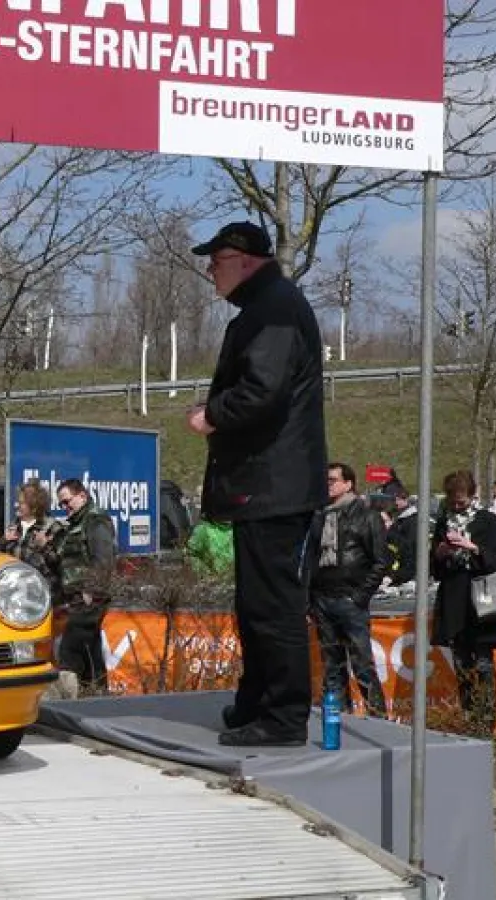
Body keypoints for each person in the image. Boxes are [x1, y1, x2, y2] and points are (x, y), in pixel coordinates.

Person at [186, 220, 327, 747]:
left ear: (245, 260)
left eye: (215, 261)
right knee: (256, 603)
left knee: (274, 605)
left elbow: (263, 391)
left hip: (275, 484)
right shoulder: (268, 306)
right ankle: (257, 703)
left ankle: (283, 716)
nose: (209, 271)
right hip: (266, 481)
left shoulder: (274, 311)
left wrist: (213, 416)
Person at [431, 469, 496, 734]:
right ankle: (468, 716)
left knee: (484, 663)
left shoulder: (487, 521)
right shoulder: (443, 521)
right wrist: (440, 553)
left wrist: (471, 546)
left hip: (482, 599)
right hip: (454, 598)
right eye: (452, 501)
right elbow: (435, 570)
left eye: (461, 502)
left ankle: (486, 721)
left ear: (472, 496)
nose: (456, 506)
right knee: (461, 663)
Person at [309, 463, 388, 717]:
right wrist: (309, 599)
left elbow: (380, 561)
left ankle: (379, 721)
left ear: (348, 483)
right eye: (326, 480)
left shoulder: (367, 516)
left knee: (362, 665)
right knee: (332, 666)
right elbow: (309, 558)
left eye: (332, 480)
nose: (328, 485)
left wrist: (360, 596)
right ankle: (338, 721)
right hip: (322, 598)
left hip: (350, 599)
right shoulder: (319, 516)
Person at [46, 479, 116, 692]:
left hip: (90, 598)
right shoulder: (74, 525)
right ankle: (98, 693)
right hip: (75, 597)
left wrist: (91, 590)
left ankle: (68, 704)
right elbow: (66, 562)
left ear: (82, 496)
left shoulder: (95, 521)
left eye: (67, 502)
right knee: (90, 650)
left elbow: (103, 559)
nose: (65, 508)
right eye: (61, 505)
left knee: (70, 651)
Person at [0, 480, 62, 588]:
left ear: (34, 506)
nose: (16, 505)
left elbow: (60, 564)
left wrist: (44, 547)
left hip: (42, 592)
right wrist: (2, 542)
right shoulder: (13, 527)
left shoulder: (52, 527)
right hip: (15, 593)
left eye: (21, 503)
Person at [381, 479, 419, 585]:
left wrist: (390, 529)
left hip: (406, 570)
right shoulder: (398, 517)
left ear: (406, 499)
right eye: (393, 500)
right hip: (395, 568)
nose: (395, 503)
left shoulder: (411, 520)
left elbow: (408, 546)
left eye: (398, 499)